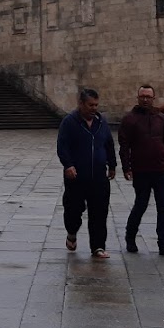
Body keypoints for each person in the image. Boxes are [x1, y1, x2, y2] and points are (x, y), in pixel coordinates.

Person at [56, 87, 116, 258]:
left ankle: (98, 246)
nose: (94, 108)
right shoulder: (69, 122)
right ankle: (72, 232)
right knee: (73, 209)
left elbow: (109, 144)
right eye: (90, 105)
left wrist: (112, 165)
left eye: (96, 105)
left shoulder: (101, 122)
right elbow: (62, 146)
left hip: (98, 176)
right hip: (76, 176)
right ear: (81, 104)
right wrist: (68, 165)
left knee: (99, 212)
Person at [119, 84, 164, 257]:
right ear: (138, 98)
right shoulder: (129, 119)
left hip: (161, 170)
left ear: (153, 98)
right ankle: (130, 237)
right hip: (141, 170)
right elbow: (124, 146)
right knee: (141, 205)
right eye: (142, 96)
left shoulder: (161, 118)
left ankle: (163, 244)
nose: (145, 99)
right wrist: (126, 167)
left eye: (148, 96)